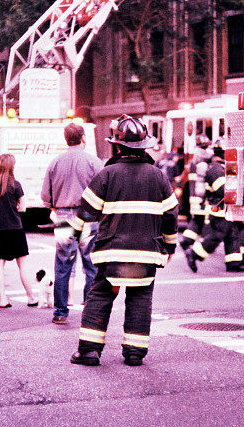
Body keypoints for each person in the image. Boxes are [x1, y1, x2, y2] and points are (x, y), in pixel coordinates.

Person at [69, 115, 178, 367]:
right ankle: (134, 353)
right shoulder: (159, 176)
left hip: (112, 252)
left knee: (100, 296)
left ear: (116, 145)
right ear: (144, 145)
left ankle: (88, 351)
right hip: (147, 253)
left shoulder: (107, 174)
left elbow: (87, 211)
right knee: (140, 298)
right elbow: (171, 214)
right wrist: (169, 246)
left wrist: (73, 236)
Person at [41, 122, 103, 325]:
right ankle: (90, 309)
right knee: (91, 264)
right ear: (83, 137)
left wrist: (54, 206)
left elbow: (45, 196)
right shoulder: (94, 162)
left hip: (64, 216)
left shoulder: (55, 162)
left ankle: (60, 312)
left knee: (63, 265)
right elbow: (105, 192)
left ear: (66, 139)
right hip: (89, 215)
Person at [184, 140, 244, 273]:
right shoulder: (215, 169)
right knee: (218, 235)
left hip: (225, 209)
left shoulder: (220, 167)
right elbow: (222, 189)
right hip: (218, 210)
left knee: (232, 233)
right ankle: (193, 253)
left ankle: (233, 263)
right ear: (223, 153)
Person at [0, 154, 36, 308]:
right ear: (11, 166)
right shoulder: (15, 185)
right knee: (22, 264)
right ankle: (31, 297)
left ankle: (3, 299)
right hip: (14, 228)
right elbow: (23, 207)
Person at [178, 138, 211, 268]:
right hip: (201, 197)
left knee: (197, 221)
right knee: (204, 221)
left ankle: (186, 240)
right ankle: (202, 245)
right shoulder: (203, 159)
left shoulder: (193, 161)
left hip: (194, 198)